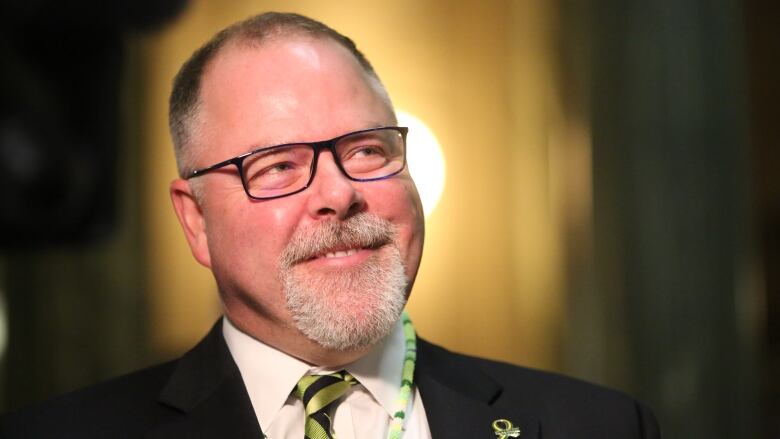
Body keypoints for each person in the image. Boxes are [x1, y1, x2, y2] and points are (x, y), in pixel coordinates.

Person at [1, 12, 660, 439]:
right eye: (279, 165)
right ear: (195, 219)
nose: (339, 194)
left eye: (367, 150)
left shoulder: (599, 426)